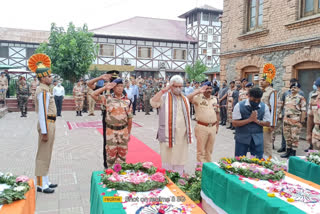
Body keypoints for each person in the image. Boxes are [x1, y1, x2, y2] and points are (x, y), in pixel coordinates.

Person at [150, 75, 193, 174]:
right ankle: (168, 178)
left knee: (180, 157)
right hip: (167, 134)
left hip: (182, 136)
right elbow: (153, 102)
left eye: (180, 86)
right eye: (175, 86)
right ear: (171, 86)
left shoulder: (184, 99)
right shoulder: (164, 97)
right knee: (168, 158)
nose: (178, 89)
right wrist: (164, 90)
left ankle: (179, 176)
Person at [28, 53, 58, 194]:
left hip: (50, 123)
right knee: (42, 155)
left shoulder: (46, 89)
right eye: (49, 76)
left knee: (47, 154)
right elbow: (42, 113)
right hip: (47, 124)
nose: (51, 78)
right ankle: (40, 184)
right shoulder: (43, 91)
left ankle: (45, 180)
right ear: (43, 77)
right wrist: (45, 131)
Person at [91, 78, 133, 167]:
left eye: (121, 86)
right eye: (118, 86)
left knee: (122, 156)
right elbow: (93, 94)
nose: (120, 88)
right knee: (110, 156)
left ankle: (120, 177)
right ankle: (110, 176)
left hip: (123, 131)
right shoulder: (107, 99)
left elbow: (130, 119)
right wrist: (105, 87)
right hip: (111, 131)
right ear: (113, 88)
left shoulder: (127, 101)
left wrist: (129, 133)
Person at [232, 87, 271, 159]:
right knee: (239, 161)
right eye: (254, 99)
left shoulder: (264, 107)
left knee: (258, 161)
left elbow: (268, 123)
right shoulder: (239, 105)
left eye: (258, 100)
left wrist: (257, 121)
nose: (256, 102)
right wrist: (249, 120)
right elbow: (234, 123)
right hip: (242, 137)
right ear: (249, 96)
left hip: (257, 138)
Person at [188, 81, 220, 162]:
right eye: (206, 88)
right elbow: (186, 98)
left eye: (210, 88)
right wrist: (198, 91)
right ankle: (200, 171)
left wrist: (217, 126)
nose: (209, 90)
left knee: (209, 151)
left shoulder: (214, 99)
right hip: (202, 127)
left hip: (212, 127)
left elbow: (217, 113)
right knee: (201, 151)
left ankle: (208, 169)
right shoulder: (197, 98)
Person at [277, 78, 305, 153]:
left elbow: (303, 110)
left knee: (294, 137)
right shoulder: (287, 97)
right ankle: (288, 151)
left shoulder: (301, 98)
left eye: (295, 87)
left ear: (298, 89)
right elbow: (283, 106)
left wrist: (301, 121)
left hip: (295, 120)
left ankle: (293, 152)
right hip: (286, 120)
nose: (293, 89)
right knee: (287, 136)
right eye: (292, 87)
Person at [260, 75, 277, 158]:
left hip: (267, 121)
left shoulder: (272, 92)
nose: (261, 81)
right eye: (261, 80)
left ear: (268, 81)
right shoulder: (262, 91)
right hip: (260, 121)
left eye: (263, 80)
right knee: (260, 143)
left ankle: (268, 162)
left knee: (267, 144)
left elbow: (274, 108)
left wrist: (272, 124)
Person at [307, 77, 320, 150]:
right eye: (318, 87)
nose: (318, 89)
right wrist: (308, 134)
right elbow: (310, 116)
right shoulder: (314, 97)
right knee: (316, 157)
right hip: (316, 133)